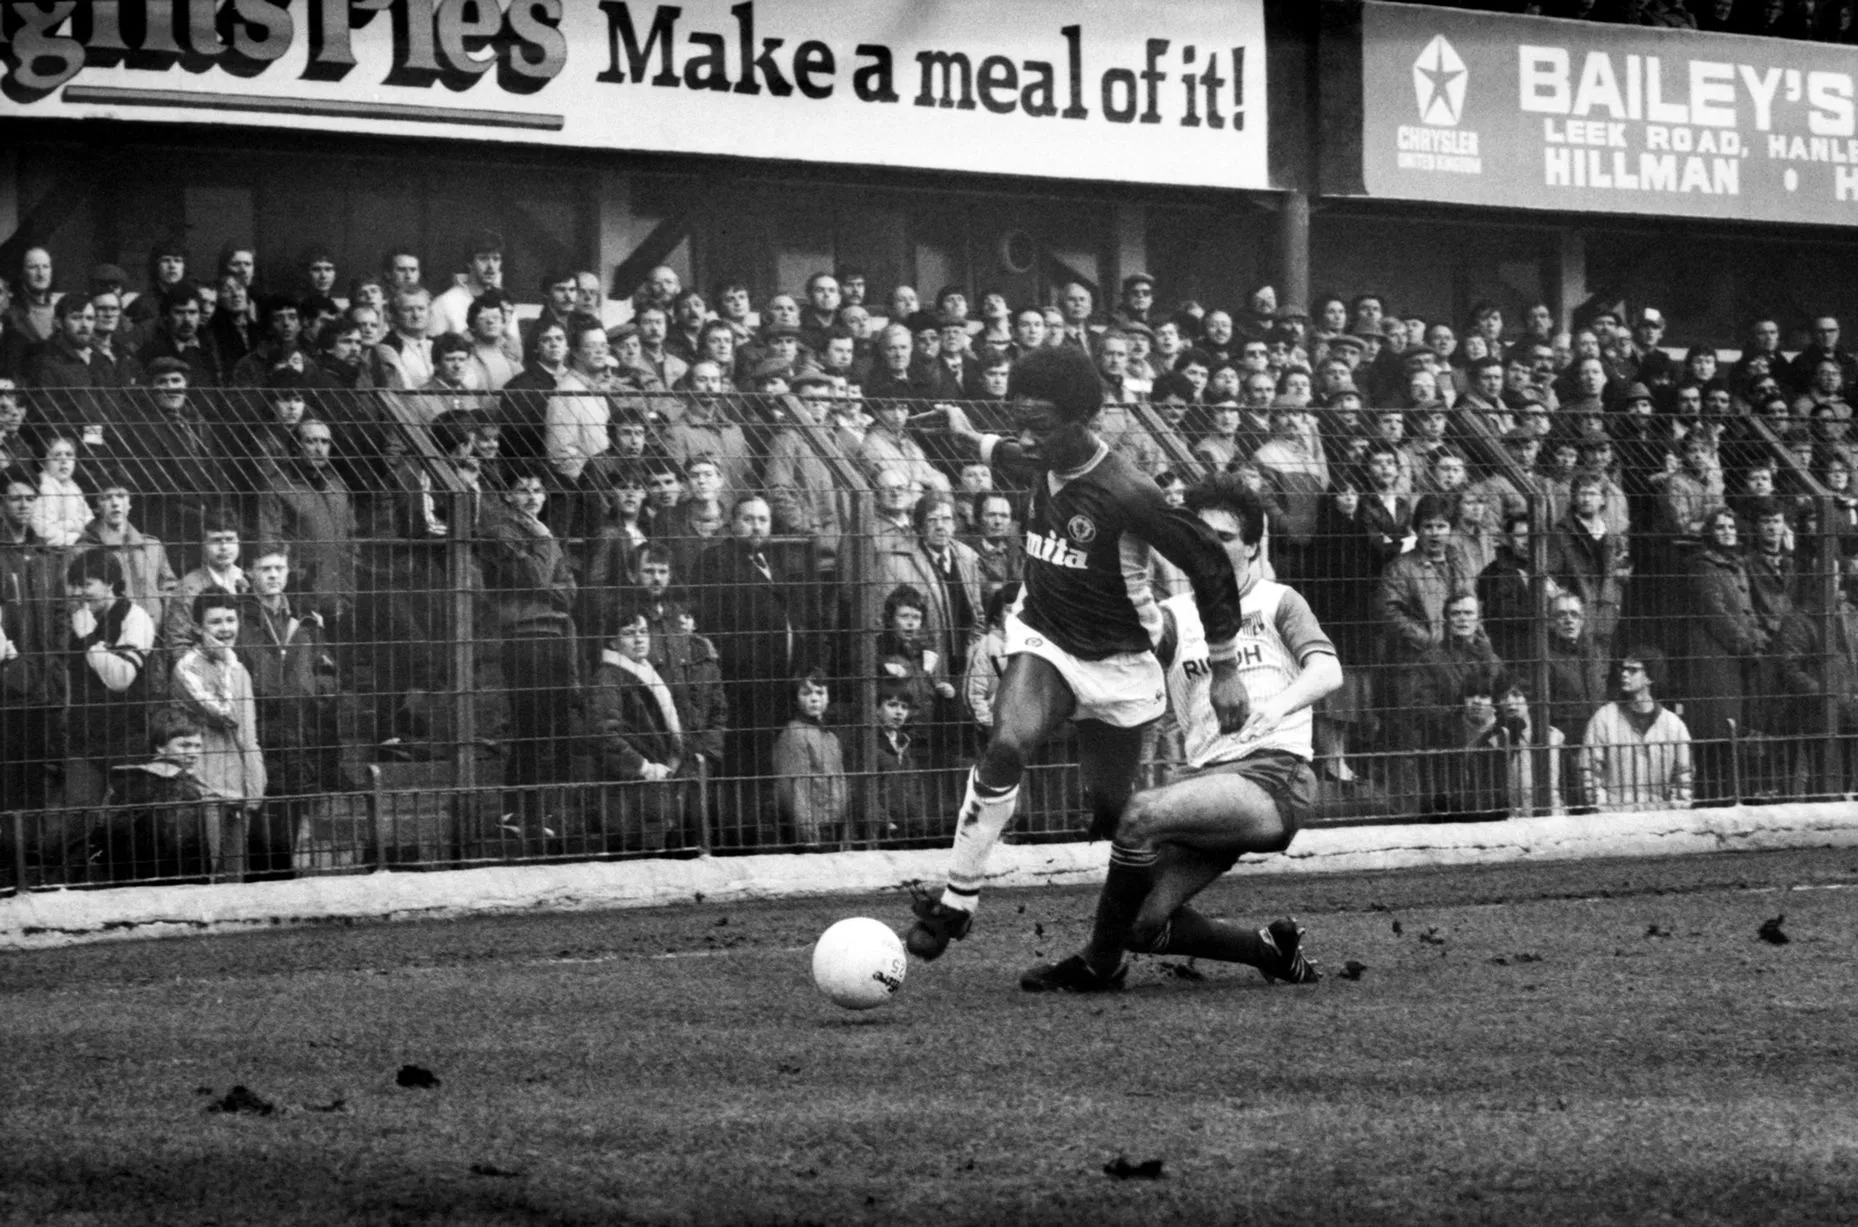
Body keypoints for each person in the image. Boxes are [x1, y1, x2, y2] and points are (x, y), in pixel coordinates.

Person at [903, 346, 1247, 962]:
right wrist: (964, 434)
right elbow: (1010, 453)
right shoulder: (1043, 454)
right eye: (1019, 421)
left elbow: (1209, 564)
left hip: (1119, 662)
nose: (1026, 437)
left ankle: (1172, 918)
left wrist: (1225, 669)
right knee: (1007, 744)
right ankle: (957, 899)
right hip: (1045, 638)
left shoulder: (1129, 491)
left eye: (1039, 425)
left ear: (1081, 419)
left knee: (1114, 814)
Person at [1019, 476, 1337, 992]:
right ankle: (1270, 951)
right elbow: (1117, 667)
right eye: (1201, 536)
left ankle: (1098, 966)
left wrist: (1276, 707)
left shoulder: (1277, 601)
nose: (1211, 546)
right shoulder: (1172, 618)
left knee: (1141, 815)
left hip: (1274, 774)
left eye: (1225, 537)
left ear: (1253, 546)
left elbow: (1327, 671)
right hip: (1207, 781)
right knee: (1140, 924)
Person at [477, 462, 579, 841]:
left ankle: (526, 811)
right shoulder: (501, 533)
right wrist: (545, 544)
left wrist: (544, 568)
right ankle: (520, 810)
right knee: (531, 726)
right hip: (524, 636)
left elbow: (570, 592)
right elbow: (535, 577)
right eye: (523, 489)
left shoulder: (541, 534)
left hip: (554, 635)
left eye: (538, 490)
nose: (533, 497)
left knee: (549, 727)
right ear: (507, 495)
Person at [236, 541, 344, 879]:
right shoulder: (240, 618)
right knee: (261, 829)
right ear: (250, 572)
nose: (273, 575)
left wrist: (317, 693)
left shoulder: (305, 617)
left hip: (300, 731)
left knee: (291, 823)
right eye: (265, 569)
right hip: (260, 731)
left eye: (278, 568)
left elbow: (325, 667)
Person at [170, 589, 267, 880]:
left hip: (238, 788)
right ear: (198, 628)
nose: (225, 629)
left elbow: (248, 732)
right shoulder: (186, 668)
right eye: (215, 622)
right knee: (206, 876)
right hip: (204, 789)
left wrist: (255, 784)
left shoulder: (240, 670)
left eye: (230, 620)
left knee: (235, 879)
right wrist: (226, 661)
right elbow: (224, 713)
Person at [1581, 646, 1693, 812]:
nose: (1624, 674)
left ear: (1650, 678)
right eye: (1623, 669)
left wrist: (1673, 813)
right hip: (1615, 817)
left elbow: (1684, 777)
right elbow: (1590, 771)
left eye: (1633, 670)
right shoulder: (1604, 718)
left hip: (1658, 818)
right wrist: (1604, 812)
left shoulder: (1673, 726)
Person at [772, 668, 848, 849]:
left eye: (820, 692)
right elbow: (795, 788)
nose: (814, 699)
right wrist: (807, 833)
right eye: (806, 693)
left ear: (828, 697)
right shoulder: (794, 734)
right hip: (812, 830)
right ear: (795, 699)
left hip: (833, 825)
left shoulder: (830, 736)